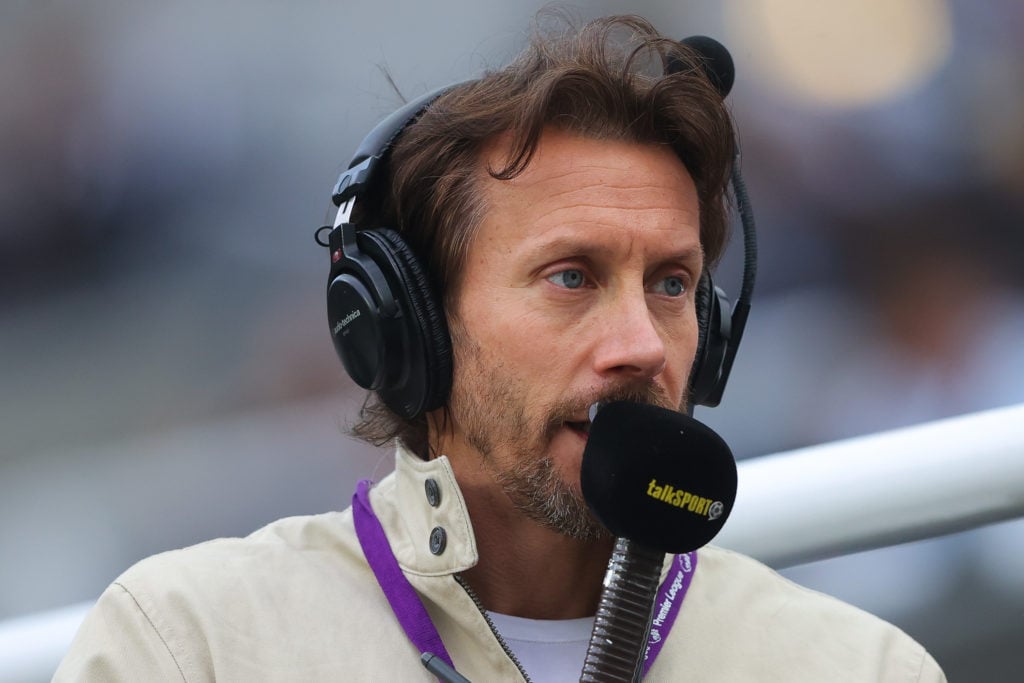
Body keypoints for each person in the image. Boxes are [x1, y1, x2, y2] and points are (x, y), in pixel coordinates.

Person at [56, 15, 946, 681]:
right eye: (571, 276)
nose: (641, 344)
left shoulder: (856, 666)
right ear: (407, 326)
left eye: (671, 283)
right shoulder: (187, 646)